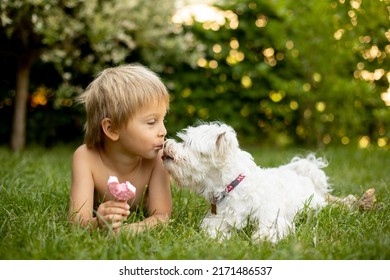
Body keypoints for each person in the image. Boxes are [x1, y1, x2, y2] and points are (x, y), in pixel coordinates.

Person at [69, 64, 171, 233]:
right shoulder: (85, 158)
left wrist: (130, 230)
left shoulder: (157, 159)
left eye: (163, 120)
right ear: (111, 129)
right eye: (152, 122)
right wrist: (97, 222)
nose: (163, 131)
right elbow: (77, 221)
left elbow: (162, 216)